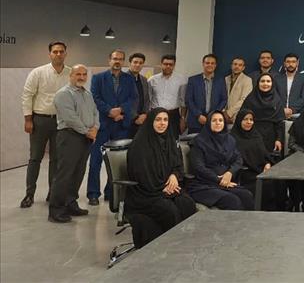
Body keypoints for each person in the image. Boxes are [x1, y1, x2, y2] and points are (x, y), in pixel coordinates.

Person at [125, 108, 196, 247]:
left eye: (165, 120)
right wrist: (163, 188)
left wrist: (174, 175)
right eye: (158, 120)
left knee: (187, 203)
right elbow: (142, 175)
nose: (162, 123)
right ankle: (170, 248)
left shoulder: (169, 140)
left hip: (166, 189)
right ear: (151, 121)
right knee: (170, 211)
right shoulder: (140, 145)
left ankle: (187, 245)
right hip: (145, 193)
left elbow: (178, 165)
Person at [20, 41, 71, 209]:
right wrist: (28, 119)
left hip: (61, 122)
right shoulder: (38, 72)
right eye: (55, 51)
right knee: (35, 158)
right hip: (39, 121)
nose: (58, 54)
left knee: (56, 159)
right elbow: (27, 95)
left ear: (65, 54)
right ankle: (29, 194)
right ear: (50, 54)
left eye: (61, 51)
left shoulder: (70, 73)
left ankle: (53, 193)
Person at [48, 65, 98, 223]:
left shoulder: (87, 94)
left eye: (84, 74)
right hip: (69, 136)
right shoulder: (63, 94)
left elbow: (95, 112)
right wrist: (87, 131)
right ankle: (56, 210)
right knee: (65, 174)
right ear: (70, 75)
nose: (81, 77)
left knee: (78, 173)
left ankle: (70, 203)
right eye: (78, 74)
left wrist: (95, 128)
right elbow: (70, 118)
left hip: (86, 137)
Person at [88, 49, 137, 205]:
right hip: (102, 125)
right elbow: (95, 98)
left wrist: (121, 110)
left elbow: (133, 99)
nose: (117, 61)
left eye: (121, 59)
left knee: (116, 161)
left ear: (123, 62)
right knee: (96, 161)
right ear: (109, 60)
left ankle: (111, 192)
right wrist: (109, 111)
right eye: (115, 58)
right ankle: (93, 194)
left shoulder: (129, 79)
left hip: (121, 125)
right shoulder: (98, 78)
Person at [186, 110, 254, 210]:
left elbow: (238, 159)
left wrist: (230, 173)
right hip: (204, 184)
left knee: (247, 195)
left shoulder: (230, 139)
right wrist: (219, 179)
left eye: (220, 120)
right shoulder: (199, 141)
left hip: (224, 182)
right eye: (214, 120)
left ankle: (247, 221)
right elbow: (199, 167)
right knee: (232, 200)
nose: (218, 123)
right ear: (208, 123)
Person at [230, 108, 286, 211]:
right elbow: (234, 160)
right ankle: (264, 212)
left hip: (261, 169)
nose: (249, 122)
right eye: (245, 119)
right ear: (239, 121)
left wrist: (267, 163)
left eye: (251, 119)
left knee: (279, 179)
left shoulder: (256, 135)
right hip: (244, 172)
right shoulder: (233, 138)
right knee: (267, 184)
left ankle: (280, 211)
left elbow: (264, 154)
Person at [241, 74, 284, 154]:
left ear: (272, 83)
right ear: (258, 83)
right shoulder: (250, 99)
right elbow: (242, 118)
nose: (265, 84)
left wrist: (278, 140)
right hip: (252, 135)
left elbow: (279, 123)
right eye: (262, 81)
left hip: (271, 137)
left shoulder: (277, 101)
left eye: (268, 81)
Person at [185, 54, 228, 134]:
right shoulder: (193, 80)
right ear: (203, 64)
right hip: (196, 121)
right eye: (207, 63)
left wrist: (214, 115)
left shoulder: (220, 80)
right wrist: (198, 115)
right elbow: (188, 100)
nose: (210, 65)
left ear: (215, 65)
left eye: (212, 63)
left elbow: (224, 99)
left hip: (214, 122)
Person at [148, 55, 187, 139]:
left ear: (174, 65)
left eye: (171, 64)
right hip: (156, 114)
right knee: (155, 139)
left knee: (173, 139)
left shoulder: (181, 80)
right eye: (165, 64)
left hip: (173, 115)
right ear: (161, 64)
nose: (168, 66)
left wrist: (183, 118)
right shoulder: (152, 80)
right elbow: (148, 100)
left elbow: (183, 100)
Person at [274, 53, 304, 118]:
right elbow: (274, 96)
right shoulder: (277, 79)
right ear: (284, 63)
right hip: (279, 113)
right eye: (288, 62)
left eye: (293, 62)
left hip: (297, 114)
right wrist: (282, 109)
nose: (290, 64)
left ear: (297, 63)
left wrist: (291, 110)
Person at [127, 53, 151, 138]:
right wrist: (135, 118)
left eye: (140, 63)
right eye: (135, 62)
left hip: (142, 121)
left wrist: (145, 114)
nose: (138, 65)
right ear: (130, 63)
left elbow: (146, 99)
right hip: (127, 121)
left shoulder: (144, 80)